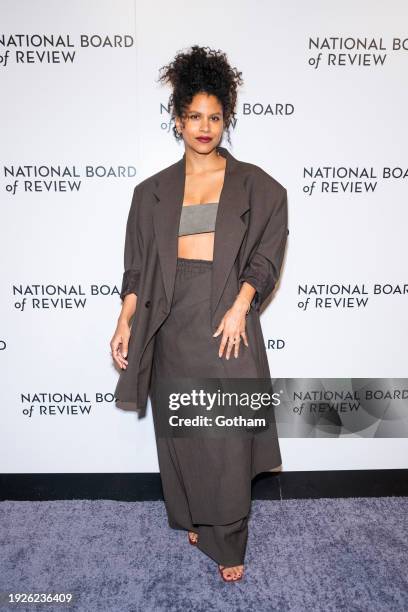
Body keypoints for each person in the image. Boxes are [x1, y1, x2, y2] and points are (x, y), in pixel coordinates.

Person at [110, 45, 288, 582]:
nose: (204, 127)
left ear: (226, 119)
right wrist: (125, 317)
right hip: (170, 316)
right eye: (194, 116)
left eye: (215, 117)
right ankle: (195, 517)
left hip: (224, 312)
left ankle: (228, 538)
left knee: (227, 434)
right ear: (178, 119)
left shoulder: (259, 185)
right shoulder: (152, 193)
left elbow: (265, 254)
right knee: (184, 427)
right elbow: (138, 268)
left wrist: (241, 305)